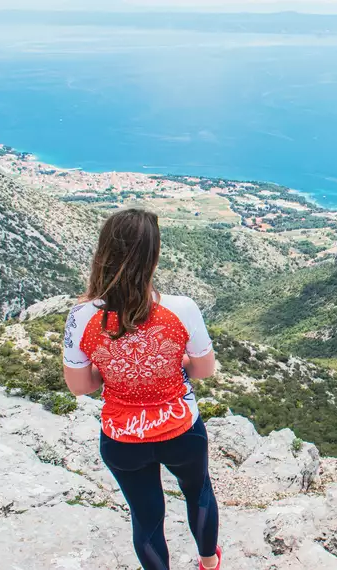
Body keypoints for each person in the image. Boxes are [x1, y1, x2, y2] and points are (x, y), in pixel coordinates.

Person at [62, 208, 221, 570]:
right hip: (180, 428)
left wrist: (113, 368)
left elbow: (79, 386)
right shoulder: (181, 309)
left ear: (103, 254)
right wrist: (171, 363)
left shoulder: (81, 317)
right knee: (198, 491)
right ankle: (209, 563)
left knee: (146, 517)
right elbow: (204, 369)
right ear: (153, 257)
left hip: (121, 437)